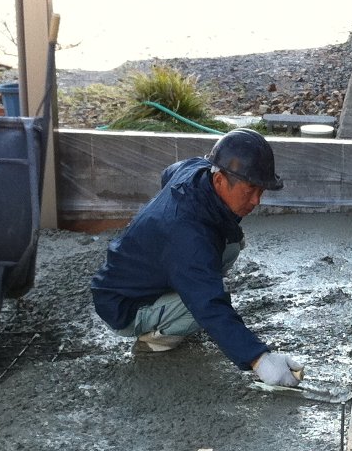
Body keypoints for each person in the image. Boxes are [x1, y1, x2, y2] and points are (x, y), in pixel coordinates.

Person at [90, 128, 305, 387]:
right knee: (202, 304)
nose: (257, 200)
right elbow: (210, 306)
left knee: (230, 245)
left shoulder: (197, 170)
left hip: (142, 273)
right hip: (123, 306)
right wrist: (260, 359)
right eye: (250, 190)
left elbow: (169, 173)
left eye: (261, 190)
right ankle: (154, 340)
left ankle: (176, 294)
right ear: (220, 180)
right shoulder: (188, 237)